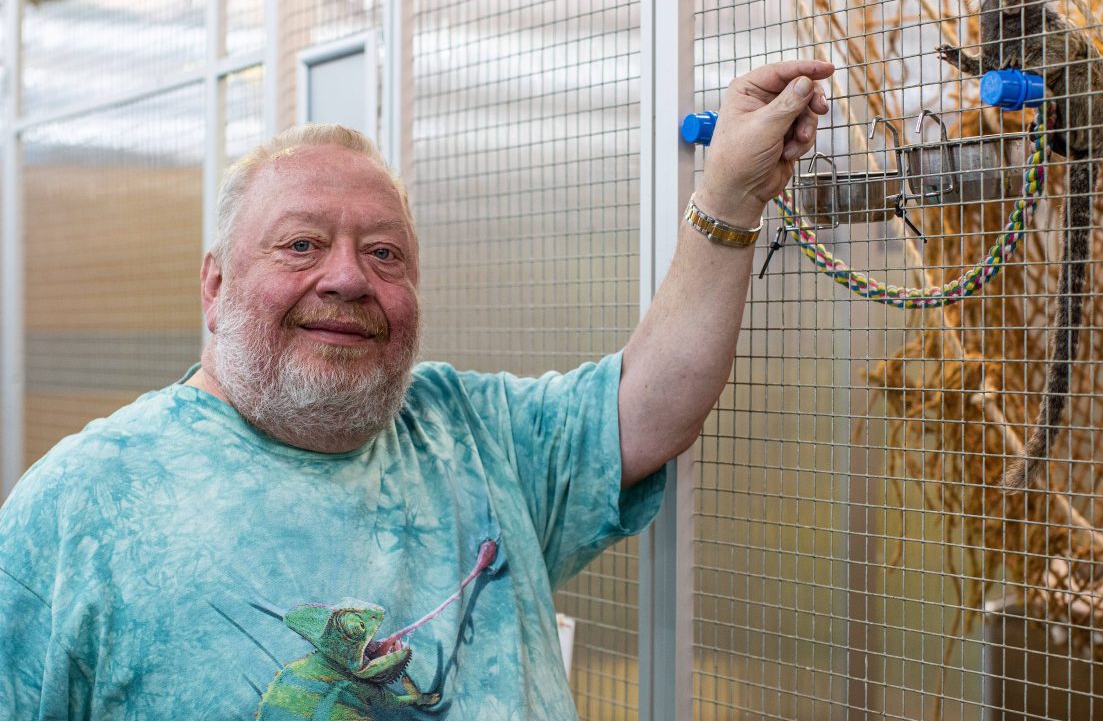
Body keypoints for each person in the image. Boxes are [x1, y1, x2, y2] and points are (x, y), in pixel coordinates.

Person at [0, 59, 833, 719]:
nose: (347, 279)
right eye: (300, 245)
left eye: (385, 253)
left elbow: (652, 402)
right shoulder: (84, 509)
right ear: (215, 287)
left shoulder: (468, 431)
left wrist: (726, 195)